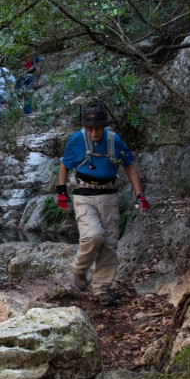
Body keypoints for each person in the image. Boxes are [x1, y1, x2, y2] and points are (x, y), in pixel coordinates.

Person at [56, 106, 150, 306]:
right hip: (83, 195)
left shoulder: (113, 140)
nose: (93, 133)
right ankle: (79, 269)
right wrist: (61, 193)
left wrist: (140, 194)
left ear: (104, 127)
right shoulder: (77, 140)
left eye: (97, 129)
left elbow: (129, 166)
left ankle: (101, 289)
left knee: (108, 243)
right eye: (90, 129)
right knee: (93, 235)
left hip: (108, 195)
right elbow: (65, 164)